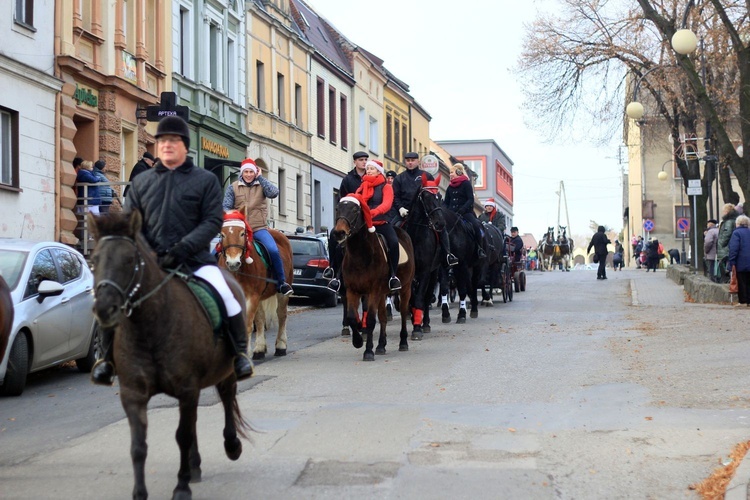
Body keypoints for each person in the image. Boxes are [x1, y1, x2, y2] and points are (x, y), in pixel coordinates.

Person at [92, 115, 253, 385]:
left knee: (225, 294)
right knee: (110, 295)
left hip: (195, 260)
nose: (166, 145)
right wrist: (146, 250)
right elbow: (132, 223)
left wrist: (183, 248)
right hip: (150, 261)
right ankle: (106, 359)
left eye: (173, 141)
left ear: (185, 146)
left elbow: (212, 221)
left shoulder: (205, 181)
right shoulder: (142, 183)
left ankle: (238, 354)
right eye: (161, 141)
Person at [222, 157, 293, 297]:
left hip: (258, 228)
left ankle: (281, 283)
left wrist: (261, 178)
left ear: (256, 172)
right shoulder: (233, 187)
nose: (248, 174)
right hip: (238, 230)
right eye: (246, 172)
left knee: (273, 250)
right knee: (216, 252)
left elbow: (274, 193)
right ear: (242, 173)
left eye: (251, 171)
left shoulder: (262, 185)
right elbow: (226, 206)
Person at [391, 152, 458, 266]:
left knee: (442, 229)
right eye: (408, 160)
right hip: (404, 212)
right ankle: (392, 258)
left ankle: (447, 255)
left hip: (425, 213)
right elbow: (395, 197)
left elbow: (434, 194)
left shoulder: (427, 176)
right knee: (392, 229)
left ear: (418, 161)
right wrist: (401, 208)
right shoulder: (399, 178)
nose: (410, 162)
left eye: (413, 160)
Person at [324, 151, 369, 291]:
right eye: (361, 160)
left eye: (366, 160)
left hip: (368, 218)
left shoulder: (371, 177)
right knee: (333, 235)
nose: (364, 162)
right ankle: (333, 271)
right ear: (355, 162)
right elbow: (341, 201)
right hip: (350, 219)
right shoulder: (348, 180)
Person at [355, 159, 401, 291]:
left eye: (372, 168)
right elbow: (357, 200)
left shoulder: (386, 187)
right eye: (367, 168)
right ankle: (337, 274)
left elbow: (386, 204)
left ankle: (393, 275)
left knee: (393, 243)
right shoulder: (362, 186)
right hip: (364, 223)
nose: (368, 170)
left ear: (378, 171)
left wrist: (372, 212)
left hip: (380, 222)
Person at [444, 163, 486, 259]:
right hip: (451, 214)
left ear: (459, 172)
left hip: (465, 213)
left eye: (452, 172)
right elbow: (446, 202)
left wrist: (463, 209)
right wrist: (445, 211)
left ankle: (479, 249)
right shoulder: (450, 187)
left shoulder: (466, 184)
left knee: (475, 226)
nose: (450, 174)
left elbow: (470, 199)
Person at [727, 215, 750, 305]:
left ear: (738, 223)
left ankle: (743, 301)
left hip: (741, 262)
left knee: (742, 281)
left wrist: (732, 261)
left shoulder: (736, 233)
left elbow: (734, 248)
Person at [717, 203, 739, 281]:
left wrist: (720, 243)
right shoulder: (733, 220)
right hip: (727, 247)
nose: (723, 212)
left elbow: (726, 234)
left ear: (727, 211)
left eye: (724, 211)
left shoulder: (728, 222)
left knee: (726, 267)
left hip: (725, 248)